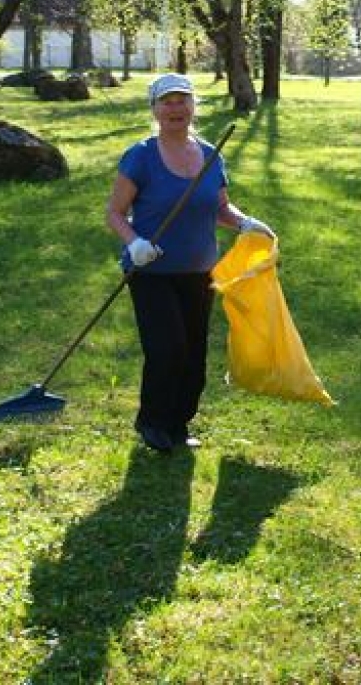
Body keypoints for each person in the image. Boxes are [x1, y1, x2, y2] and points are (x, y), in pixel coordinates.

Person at [107, 73, 274, 452]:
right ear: (154, 109)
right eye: (167, 101)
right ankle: (152, 422)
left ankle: (178, 425)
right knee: (168, 347)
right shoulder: (141, 156)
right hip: (151, 270)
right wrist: (135, 243)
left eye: (182, 100)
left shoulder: (211, 155)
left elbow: (219, 208)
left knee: (194, 353)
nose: (175, 108)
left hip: (199, 271)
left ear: (193, 106)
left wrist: (244, 221)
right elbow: (115, 213)